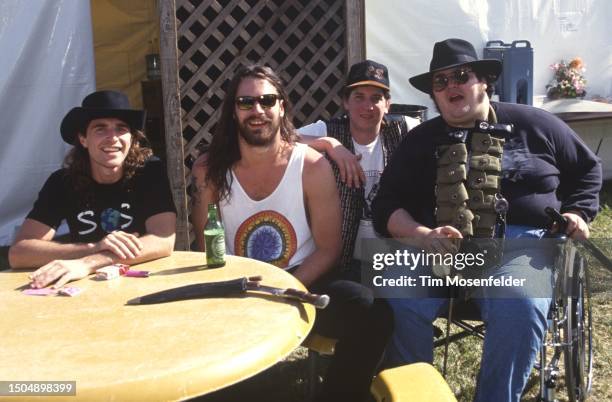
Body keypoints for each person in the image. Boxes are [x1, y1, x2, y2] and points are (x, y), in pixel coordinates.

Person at [372, 39, 601, 402]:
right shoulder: (418, 142)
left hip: (522, 242)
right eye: (440, 83)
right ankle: (414, 395)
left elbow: (588, 171)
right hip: (440, 245)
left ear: (484, 82)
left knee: (519, 303)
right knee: (398, 291)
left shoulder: (535, 124)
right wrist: (421, 234)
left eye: (461, 76)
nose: (451, 87)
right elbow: (385, 206)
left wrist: (578, 211)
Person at [191, 64, 393, 402]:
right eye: (246, 102)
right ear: (232, 110)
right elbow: (205, 245)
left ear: (281, 106)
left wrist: (287, 289)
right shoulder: (209, 170)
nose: (258, 110)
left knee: (373, 314)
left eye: (267, 101)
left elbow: (330, 248)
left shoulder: (311, 165)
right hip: (238, 286)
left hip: (302, 281)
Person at [9, 90, 177, 288]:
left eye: (121, 129)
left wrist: (87, 263)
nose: (112, 138)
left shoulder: (149, 173)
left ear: (132, 138)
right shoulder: (62, 182)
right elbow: (19, 253)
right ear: (83, 139)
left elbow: (163, 241)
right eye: (100, 129)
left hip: (141, 282)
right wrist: (94, 247)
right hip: (84, 288)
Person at [298, 60, 420, 277]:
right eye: (359, 97)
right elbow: (278, 139)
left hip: (395, 259)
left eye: (376, 98)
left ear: (388, 104)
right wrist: (330, 144)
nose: (368, 106)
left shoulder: (405, 128)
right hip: (343, 260)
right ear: (345, 102)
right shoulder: (328, 130)